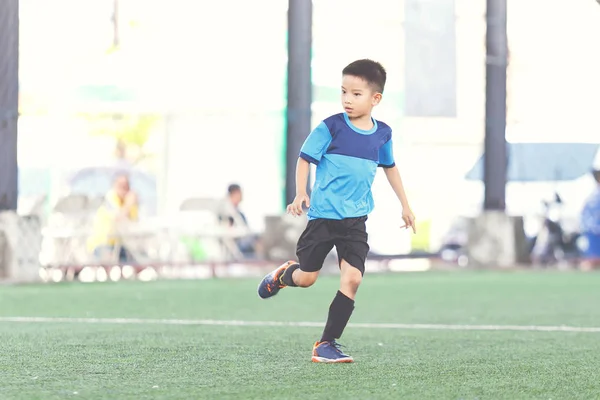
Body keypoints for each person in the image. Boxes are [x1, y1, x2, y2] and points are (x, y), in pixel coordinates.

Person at [257, 59, 416, 363]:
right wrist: (302, 192)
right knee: (307, 278)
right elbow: (305, 159)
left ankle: (326, 343)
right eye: (343, 92)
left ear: (375, 99)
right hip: (323, 220)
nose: (347, 99)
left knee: (353, 279)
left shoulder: (383, 133)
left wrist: (405, 206)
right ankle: (282, 276)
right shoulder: (331, 127)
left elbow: (390, 168)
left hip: (355, 221)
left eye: (356, 94)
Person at [87, 173, 139, 263]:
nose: (124, 189)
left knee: (136, 262)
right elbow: (118, 218)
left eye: (126, 186)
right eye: (121, 186)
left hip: (119, 245)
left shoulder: (127, 202)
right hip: (102, 244)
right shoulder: (110, 199)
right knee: (111, 263)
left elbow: (134, 223)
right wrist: (129, 204)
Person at [218, 184, 262, 258]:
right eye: (239, 193)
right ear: (233, 194)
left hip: (244, 246)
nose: (241, 196)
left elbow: (246, 230)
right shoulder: (224, 213)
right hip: (235, 250)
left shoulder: (239, 214)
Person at [580, 169, 600, 270]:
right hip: (594, 231)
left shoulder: (592, 195)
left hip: (591, 230)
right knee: (594, 259)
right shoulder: (594, 196)